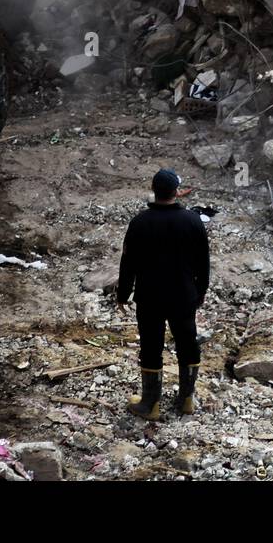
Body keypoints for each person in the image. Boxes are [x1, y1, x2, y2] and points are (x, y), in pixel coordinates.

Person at [116, 168, 210, 420]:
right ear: (176, 192)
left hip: (150, 297)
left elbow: (128, 263)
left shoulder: (139, 222)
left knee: (151, 346)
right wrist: (200, 292)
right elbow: (204, 262)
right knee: (188, 343)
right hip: (184, 296)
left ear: (154, 190)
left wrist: (123, 294)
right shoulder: (193, 220)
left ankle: (151, 404)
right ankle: (187, 400)